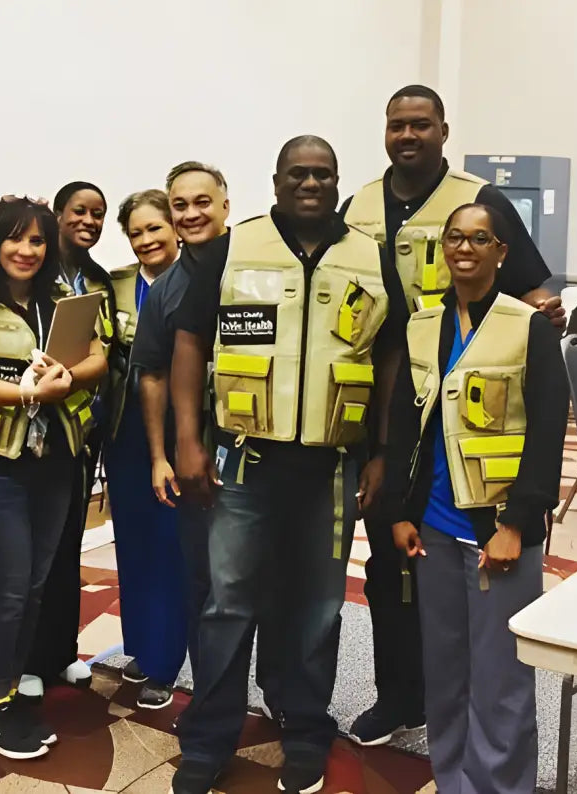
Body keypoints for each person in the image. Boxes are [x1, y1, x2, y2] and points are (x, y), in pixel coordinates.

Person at [169, 137, 406, 794]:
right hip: (246, 460)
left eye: (322, 173)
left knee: (318, 607)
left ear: (337, 181)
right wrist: (189, 440)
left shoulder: (369, 256)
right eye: (297, 173)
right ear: (276, 180)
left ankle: (305, 726)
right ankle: (208, 736)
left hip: (331, 466)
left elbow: (390, 358)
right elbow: (190, 341)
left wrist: (383, 451)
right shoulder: (233, 247)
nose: (310, 183)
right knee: (227, 604)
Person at [341, 84, 564, 746]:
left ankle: (479, 742)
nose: (407, 136)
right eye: (396, 125)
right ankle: (397, 696)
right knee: (391, 564)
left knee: (485, 629)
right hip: (393, 406)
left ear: (442, 130)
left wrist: (540, 317)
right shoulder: (360, 205)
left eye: (421, 125)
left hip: (476, 421)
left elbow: (533, 289)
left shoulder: (481, 200)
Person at [385, 203, 567, 794]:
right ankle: (454, 779)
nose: (466, 247)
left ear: (501, 252)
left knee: (500, 678)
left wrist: (517, 523)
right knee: (445, 671)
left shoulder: (528, 326)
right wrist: (401, 514)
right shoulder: (422, 326)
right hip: (433, 528)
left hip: (498, 528)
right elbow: (402, 426)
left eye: (480, 238)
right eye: (455, 237)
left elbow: (546, 434)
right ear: (444, 248)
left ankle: (500, 787)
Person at [0, 196, 107, 759]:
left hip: (56, 463)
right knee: (9, 591)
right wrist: (30, 391)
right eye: (16, 238)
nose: (27, 250)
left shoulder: (62, 301)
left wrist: (67, 376)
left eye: (38, 241)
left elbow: (98, 359)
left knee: (35, 587)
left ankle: (9, 690)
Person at [131, 161, 278, 720]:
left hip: (265, 455)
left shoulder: (258, 269)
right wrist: (159, 456)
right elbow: (152, 374)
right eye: (180, 205)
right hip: (197, 461)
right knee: (205, 581)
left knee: (265, 579)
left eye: (202, 202)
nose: (191, 214)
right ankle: (214, 700)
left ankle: (275, 693)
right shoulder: (166, 290)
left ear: (225, 205)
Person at [22, 181, 112, 696]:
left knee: (68, 547)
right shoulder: (36, 270)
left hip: (84, 428)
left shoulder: (97, 279)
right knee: (36, 552)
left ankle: (60, 651)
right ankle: (29, 659)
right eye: (79, 210)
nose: (89, 221)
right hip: (37, 426)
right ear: (57, 214)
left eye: (98, 214)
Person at [102, 189, 185, 709]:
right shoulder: (114, 286)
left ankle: (167, 661)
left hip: (180, 430)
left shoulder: (200, 282)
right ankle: (141, 646)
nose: (146, 240)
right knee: (132, 539)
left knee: (171, 544)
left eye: (156, 228)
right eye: (136, 232)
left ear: (175, 227)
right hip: (122, 431)